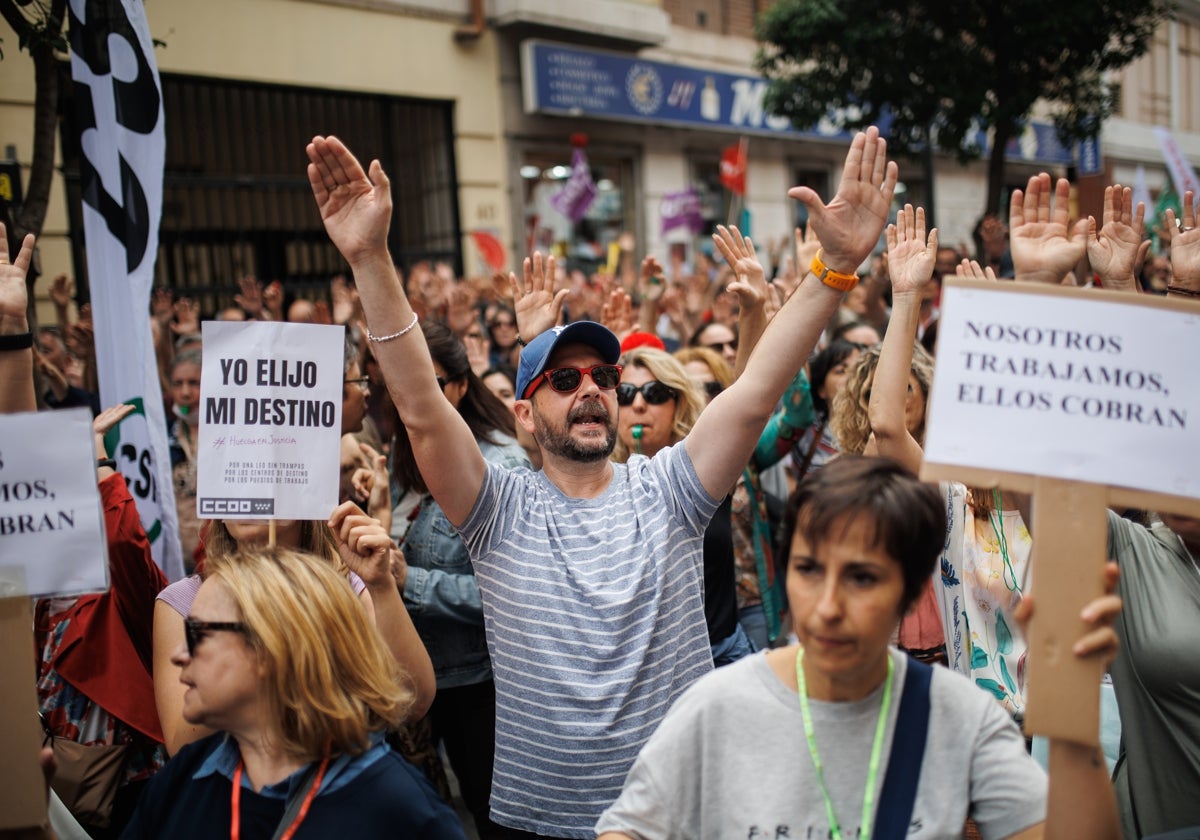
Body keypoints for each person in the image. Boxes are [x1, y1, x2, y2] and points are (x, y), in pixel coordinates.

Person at [306, 126, 899, 836]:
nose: (590, 389)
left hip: (678, 814)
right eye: (563, 379)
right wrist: (370, 258)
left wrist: (832, 268)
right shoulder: (498, 509)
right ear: (524, 414)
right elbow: (422, 411)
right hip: (541, 821)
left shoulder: (671, 491)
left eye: (604, 377)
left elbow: (754, 393)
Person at [596, 456, 1122, 840]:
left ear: (914, 591)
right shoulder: (717, 707)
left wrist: (1072, 707)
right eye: (808, 569)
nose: (826, 606)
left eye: (862, 578)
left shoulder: (959, 716)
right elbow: (629, 829)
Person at [123, 547, 466, 839]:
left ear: (271, 646)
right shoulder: (186, 775)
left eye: (198, 633)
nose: (179, 655)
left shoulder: (401, 812)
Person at [390, 321, 530, 840]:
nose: (414, 397)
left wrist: (412, 581)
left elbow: (514, 590)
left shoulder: (501, 463)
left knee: (491, 816)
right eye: (400, 383)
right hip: (412, 680)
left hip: (480, 683)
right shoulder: (398, 451)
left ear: (459, 386)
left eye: (429, 382)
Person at [153, 504, 434, 756]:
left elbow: (412, 701)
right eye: (237, 469)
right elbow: (182, 750)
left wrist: (382, 585)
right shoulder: (183, 602)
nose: (251, 487)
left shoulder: (350, 586)